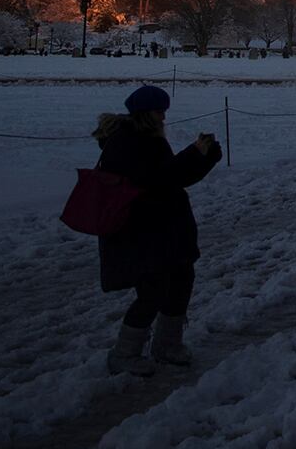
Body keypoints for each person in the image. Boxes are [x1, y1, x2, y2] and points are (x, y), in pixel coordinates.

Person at [93, 85, 220, 376]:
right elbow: (161, 181)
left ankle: (167, 345)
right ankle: (124, 353)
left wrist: (203, 156)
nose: (164, 118)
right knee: (154, 291)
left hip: (162, 229)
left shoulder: (144, 139)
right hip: (142, 232)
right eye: (159, 112)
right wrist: (196, 155)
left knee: (180, 282)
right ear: (146, 114)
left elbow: (171, 179)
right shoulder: (130, 142)